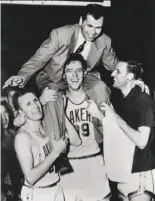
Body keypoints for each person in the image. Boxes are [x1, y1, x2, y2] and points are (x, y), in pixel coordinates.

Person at [3, 4, 148, 147]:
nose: (93, 32)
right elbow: (38, 59)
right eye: (89, 26)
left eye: (98, 28)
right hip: (53, 77)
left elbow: (114, 66)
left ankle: (101, 134)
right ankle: (57, 145)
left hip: (82, 76)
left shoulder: (104, 41)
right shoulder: (60, 34)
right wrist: (22, 76)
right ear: (81, 21)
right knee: (52, 95)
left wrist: (133, 79)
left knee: (100, 87)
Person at [86, 61, 155, 201]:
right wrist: (100, 115)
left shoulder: (143, 101)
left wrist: (115, 116)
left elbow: (141, 142)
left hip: (140, 175)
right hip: (125, 172)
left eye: (117, 71)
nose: (112, 74)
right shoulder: (124, 99)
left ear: (129, 77)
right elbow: (121, 134)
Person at [57, 54, 111, 201]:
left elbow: (114, 134)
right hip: (69, 166)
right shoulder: (57, 102)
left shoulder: (97, 98)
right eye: (69, 71)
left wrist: (100, 115)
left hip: (94, 161)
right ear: (63, 74)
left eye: (78, 71)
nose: (74, 75)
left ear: (85, 73)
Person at [12, 89, 69, 201]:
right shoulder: (22, 137)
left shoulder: (47, 126)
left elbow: (76, 140)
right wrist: (55, 152)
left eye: (35, 100)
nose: (35, 106)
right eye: (28, 104)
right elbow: (31, 177)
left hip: (56, 187)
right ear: (21, 112)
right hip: (37, 193)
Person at [1, 100, 23, 201]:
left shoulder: (15, 134)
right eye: (0, 115)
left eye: (5, 114)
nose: (3, 119)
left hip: (22, 187)